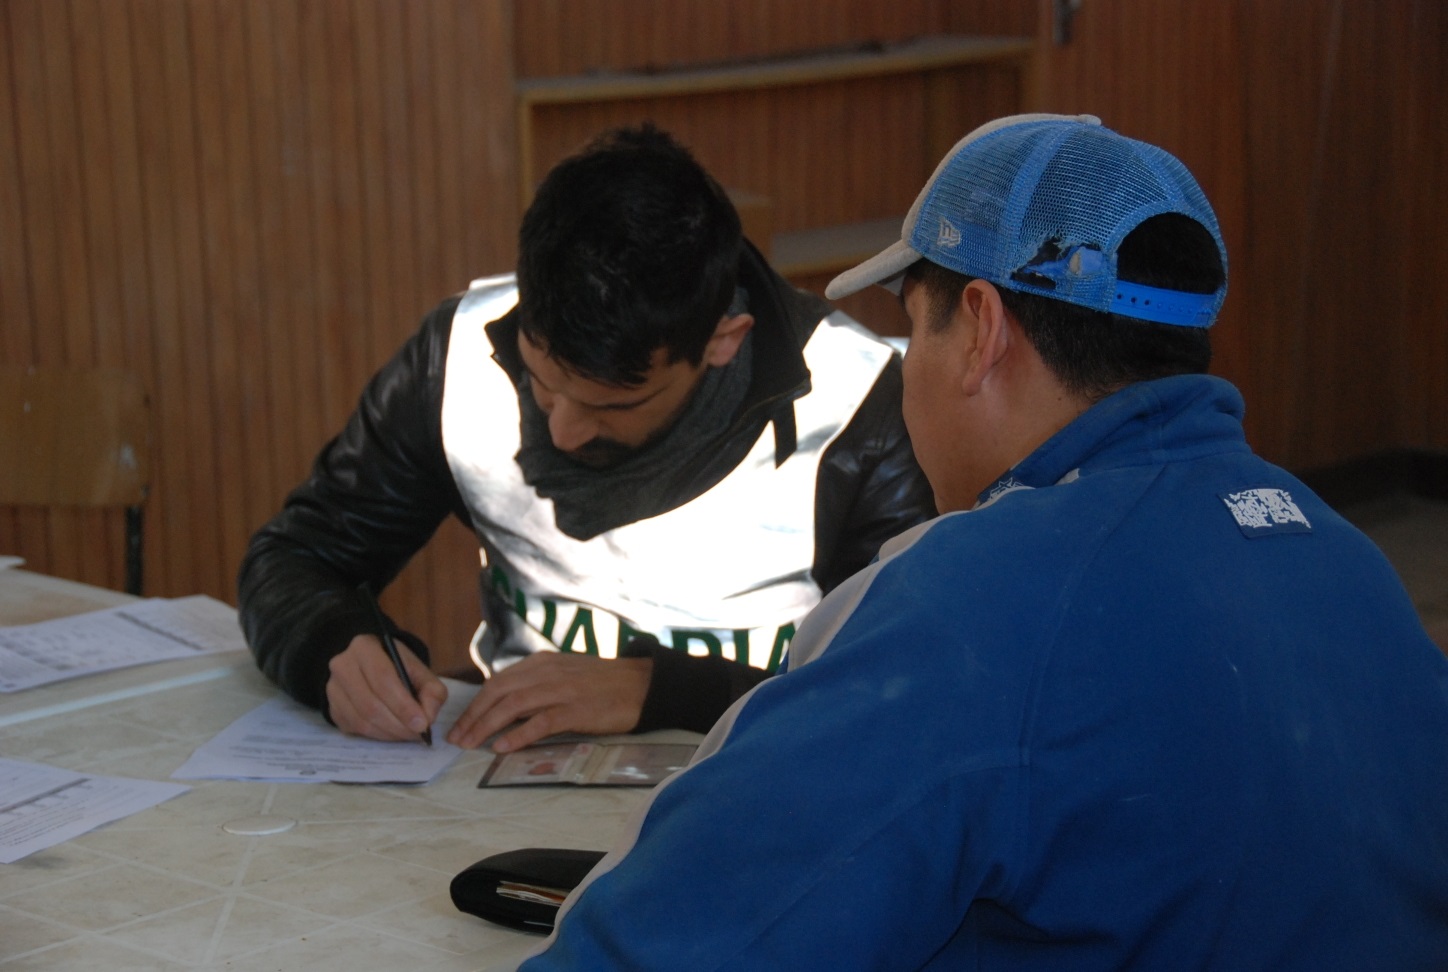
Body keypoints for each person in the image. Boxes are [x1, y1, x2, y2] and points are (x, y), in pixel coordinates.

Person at [518, 114, 1448, 970]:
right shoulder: (1345, 555)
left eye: (911, 329)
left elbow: (654, 946)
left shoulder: (971, 601)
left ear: (980, 332)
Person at [237, 124, 935, 753]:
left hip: (751, 799)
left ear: (723, 341)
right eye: (541, 382)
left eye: (613, 404)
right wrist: (329, 641)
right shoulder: (454, 358)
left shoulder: (861, 405)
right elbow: (297, 557)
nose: (563, 430)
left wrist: (658, 692)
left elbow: (908, 690)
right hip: (501, 792)